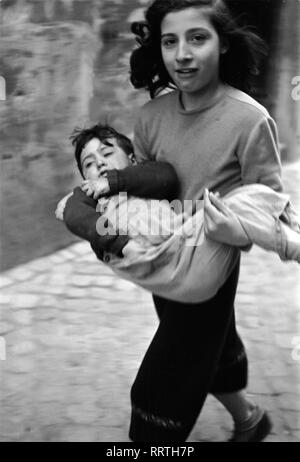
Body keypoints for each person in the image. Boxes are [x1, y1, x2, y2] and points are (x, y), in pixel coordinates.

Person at [61, 0, 285, 442]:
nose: (182, 54)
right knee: (209, 347)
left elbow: (269, 200)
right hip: (161, 259)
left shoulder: (250, 120)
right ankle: (250, 421)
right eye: (169, 41)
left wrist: (236, 232)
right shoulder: (149, 118)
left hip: (211, 261)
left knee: (165, 378)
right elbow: (142, 188)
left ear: (222, 45)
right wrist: (109, 232)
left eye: (197, 38)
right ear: (158, 50)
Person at [56, 123, 300, 305]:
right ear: (84, 177)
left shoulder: (142, 178)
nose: (99, 164)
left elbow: (167, 176)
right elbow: (73, 214)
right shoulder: (86, 197)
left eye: (107, 154)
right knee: (236, 204)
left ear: (131, 160)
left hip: (191, 249)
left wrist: (115, 181)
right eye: (88, 163)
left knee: (246, 196)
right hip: (155, 259)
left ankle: (293, 231)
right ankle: (291, 244)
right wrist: (123, 244)